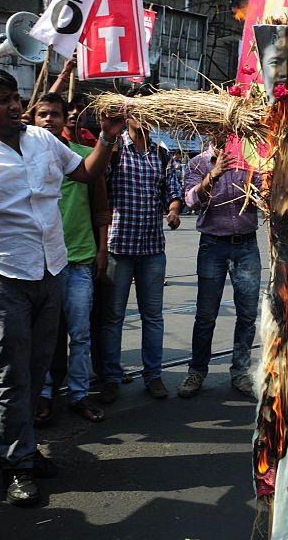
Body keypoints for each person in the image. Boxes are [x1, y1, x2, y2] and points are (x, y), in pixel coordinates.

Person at [0, 68, 125, 507]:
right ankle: (17, 465)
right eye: (2, 101)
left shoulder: (43, 140)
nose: (15, 107)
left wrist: (106, 138)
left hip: (52, 269)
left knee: (37, 366)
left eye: (15, 98)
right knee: (9, 370)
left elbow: (84, 175)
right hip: (0, 271)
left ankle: (23, 449)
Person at [33, 93, 110, 423]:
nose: (49, 119)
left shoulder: (83, 158)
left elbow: (101, 211)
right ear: (33, 119)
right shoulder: (21, 157)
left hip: (79, 261)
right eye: (42, 114)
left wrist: (102, 250)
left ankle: (78, 394)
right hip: (41, 264)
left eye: (55, 114)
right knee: (45, 336)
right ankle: (44, 394)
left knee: (79, 334)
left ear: (67, 120)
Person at [97, 116, 183, 404]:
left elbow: (173, 191)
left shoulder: (161, 153)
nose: (144, 121)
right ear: (128, 118)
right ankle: (110, 377)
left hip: (152, 249)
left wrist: (173, 210)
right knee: (113, 318)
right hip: (117, 248)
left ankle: (153, 375)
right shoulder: (116, 149)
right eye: (138, 114)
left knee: (153, 317)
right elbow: (99, 182)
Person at [178, 141, 261, 399]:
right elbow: (190, 200)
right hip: (212, 246)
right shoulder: (198, 163)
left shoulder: (250, 161)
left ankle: (240, 371)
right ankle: (197, 371)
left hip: (246, 245)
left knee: (247, 314)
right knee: (206, 315)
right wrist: (211, 177)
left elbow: (263, 193)